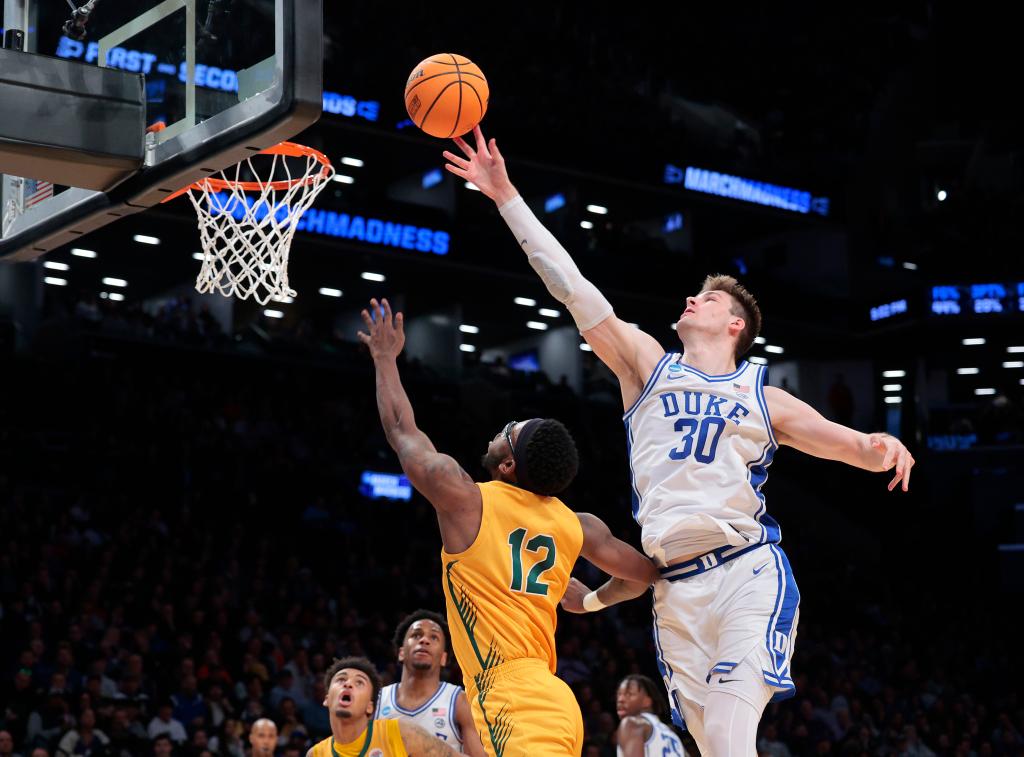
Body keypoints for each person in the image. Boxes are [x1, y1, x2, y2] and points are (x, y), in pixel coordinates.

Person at [443, 126, 916, 756]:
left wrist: (878, 443)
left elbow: (840, 444)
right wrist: (505, 198)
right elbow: (572, 285)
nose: (692, 297)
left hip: (746, 570)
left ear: (736, 324)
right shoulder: (646, 365)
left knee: (725, 734)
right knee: (714, 747)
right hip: (675, 591)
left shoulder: (762, 393)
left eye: (710, 297)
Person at [359, 299, 659, 755]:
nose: (503, 427)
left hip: (507, 698)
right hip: (554, 698)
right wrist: (594, 600)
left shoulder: (466, 498)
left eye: (510, 429)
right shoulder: (576, 526)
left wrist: (384, 360)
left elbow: (402, 430)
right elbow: (645, 576)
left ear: (508, 463)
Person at [377, 611, 485, 755]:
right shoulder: (377, 700)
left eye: (434, 637)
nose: (424, 640)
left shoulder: (459, 701)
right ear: (401, 652)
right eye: (416, 635)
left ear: (443, 658)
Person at [306, 657, 459, 756]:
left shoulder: (400, 733)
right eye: (340, 680)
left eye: (359, 682)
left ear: (370, 707)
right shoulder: (316, 754)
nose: (348, 683)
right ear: (326, 699)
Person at [614, 675, 685, 757]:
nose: (620, 700)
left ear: (647, 701)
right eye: (619, 694)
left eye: (629, 694)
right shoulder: (672, 736)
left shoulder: (632, 723)